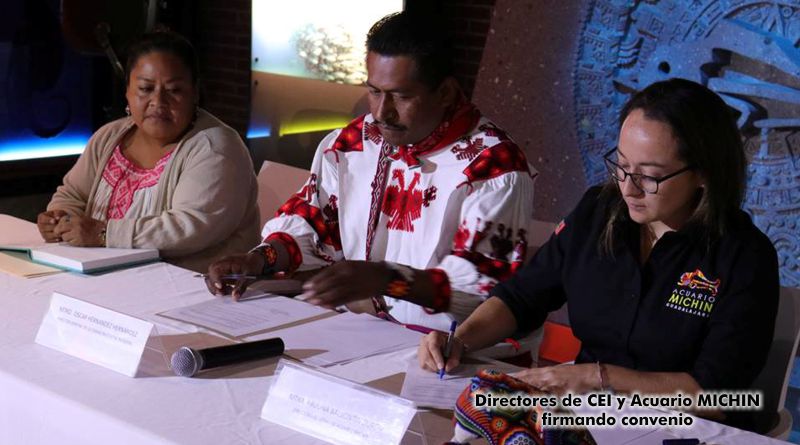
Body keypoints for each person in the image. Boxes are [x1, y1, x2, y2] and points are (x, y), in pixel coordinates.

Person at [418, 78, 779, 431]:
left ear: (703, 174)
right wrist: (460, 340)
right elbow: (522, 297)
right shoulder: (598, 211)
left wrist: (597, 377)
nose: (628, 188)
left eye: (650, 176)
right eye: (621, 165)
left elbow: (716, 396)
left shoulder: (745, 256)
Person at [206, 11, 538, 337]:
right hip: (358, 332)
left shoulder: (492, 166)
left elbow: (482, 294)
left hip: (450, 350)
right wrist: (258, 260)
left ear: (445, 93)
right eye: (375, 91)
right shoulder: (352, 144)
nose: (381, 112)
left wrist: (385, 279)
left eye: (402, 96)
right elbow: (315, 224)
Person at [38, 30, 260, 272]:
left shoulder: (216, 147)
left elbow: (190, 225)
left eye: (174, 90)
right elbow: (73, 194)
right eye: (145, 88)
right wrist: (61, 219)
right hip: (107, 276)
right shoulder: (109, 137)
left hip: (195, 285)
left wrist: (103, 233)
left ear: (195, 92)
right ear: (127, 91)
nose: (158, 102)